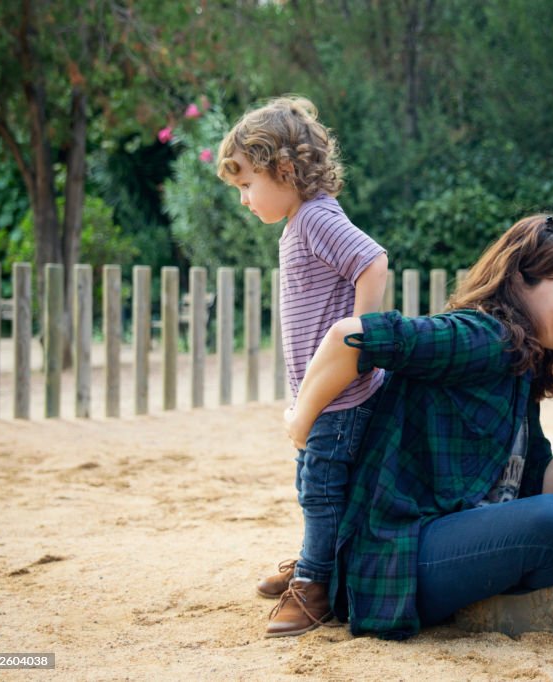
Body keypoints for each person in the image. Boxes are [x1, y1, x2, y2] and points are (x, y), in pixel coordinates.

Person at [284, 215, 553, 640]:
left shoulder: (521, 360)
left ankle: (512, 598)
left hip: (460, 524)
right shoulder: (480, 337)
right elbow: (349, 336)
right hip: (399, 554)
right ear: (519, 283)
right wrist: (300, 421)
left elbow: (536, 484)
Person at [216, 96, 389, 638]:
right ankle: (317, 560)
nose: (244, 199)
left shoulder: (315, 217)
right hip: (323, 390)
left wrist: (360, 339)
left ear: (284, 170)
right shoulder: (300, 221)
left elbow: (372, 259)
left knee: (320, 485)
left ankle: (314, 583)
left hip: (341, 391)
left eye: (248, 184)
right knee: (318, 483)